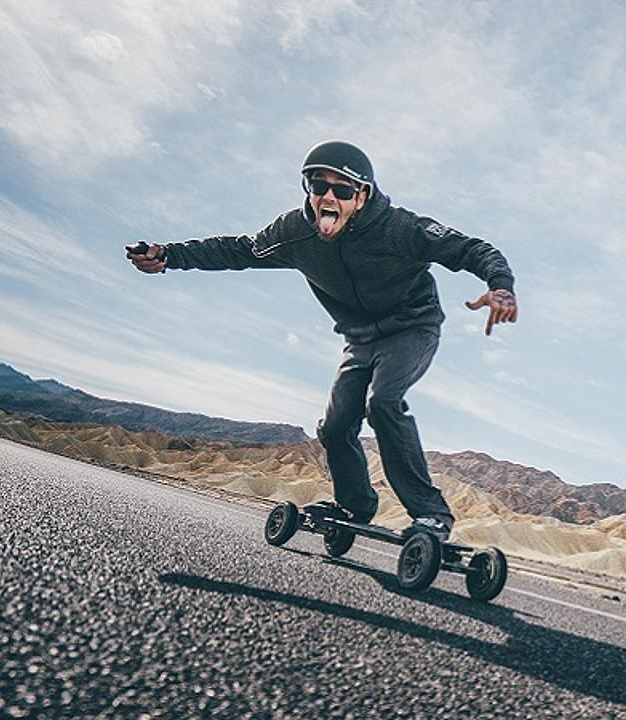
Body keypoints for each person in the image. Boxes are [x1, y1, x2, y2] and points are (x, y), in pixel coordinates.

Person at [127, 140, 517, 541]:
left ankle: (431, 514)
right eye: (319, 187)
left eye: (343, 190)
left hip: (411, 328)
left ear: (361, 196)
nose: (329, 197)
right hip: (358, 340)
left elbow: (473, 249)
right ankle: (355, 504)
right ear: (308, 191)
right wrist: (169, 256)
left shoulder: (401, 229)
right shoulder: (294, 232)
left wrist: (500, 287)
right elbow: (239, 250)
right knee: (333, 427)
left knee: (382, 402)